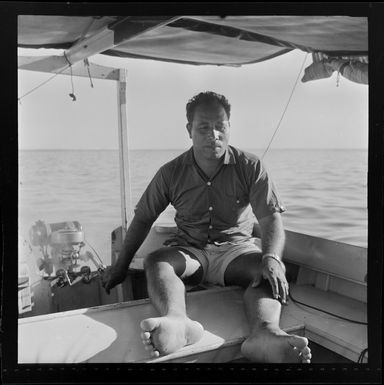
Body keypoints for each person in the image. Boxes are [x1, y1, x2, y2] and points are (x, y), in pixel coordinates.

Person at [101, 91, 311, 363]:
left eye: (220, 127)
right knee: (156, 261)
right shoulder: (171, 172)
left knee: (268, 270)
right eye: (204, 127)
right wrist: (120, 266)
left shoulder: (251, 166)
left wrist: (272, 259)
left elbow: (271, 219)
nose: (214, 135)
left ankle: (265, 334)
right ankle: (177, 321)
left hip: (236, 251)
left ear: (229, 127)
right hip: (190, 252)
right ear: (189, 130)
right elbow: (143, 218)